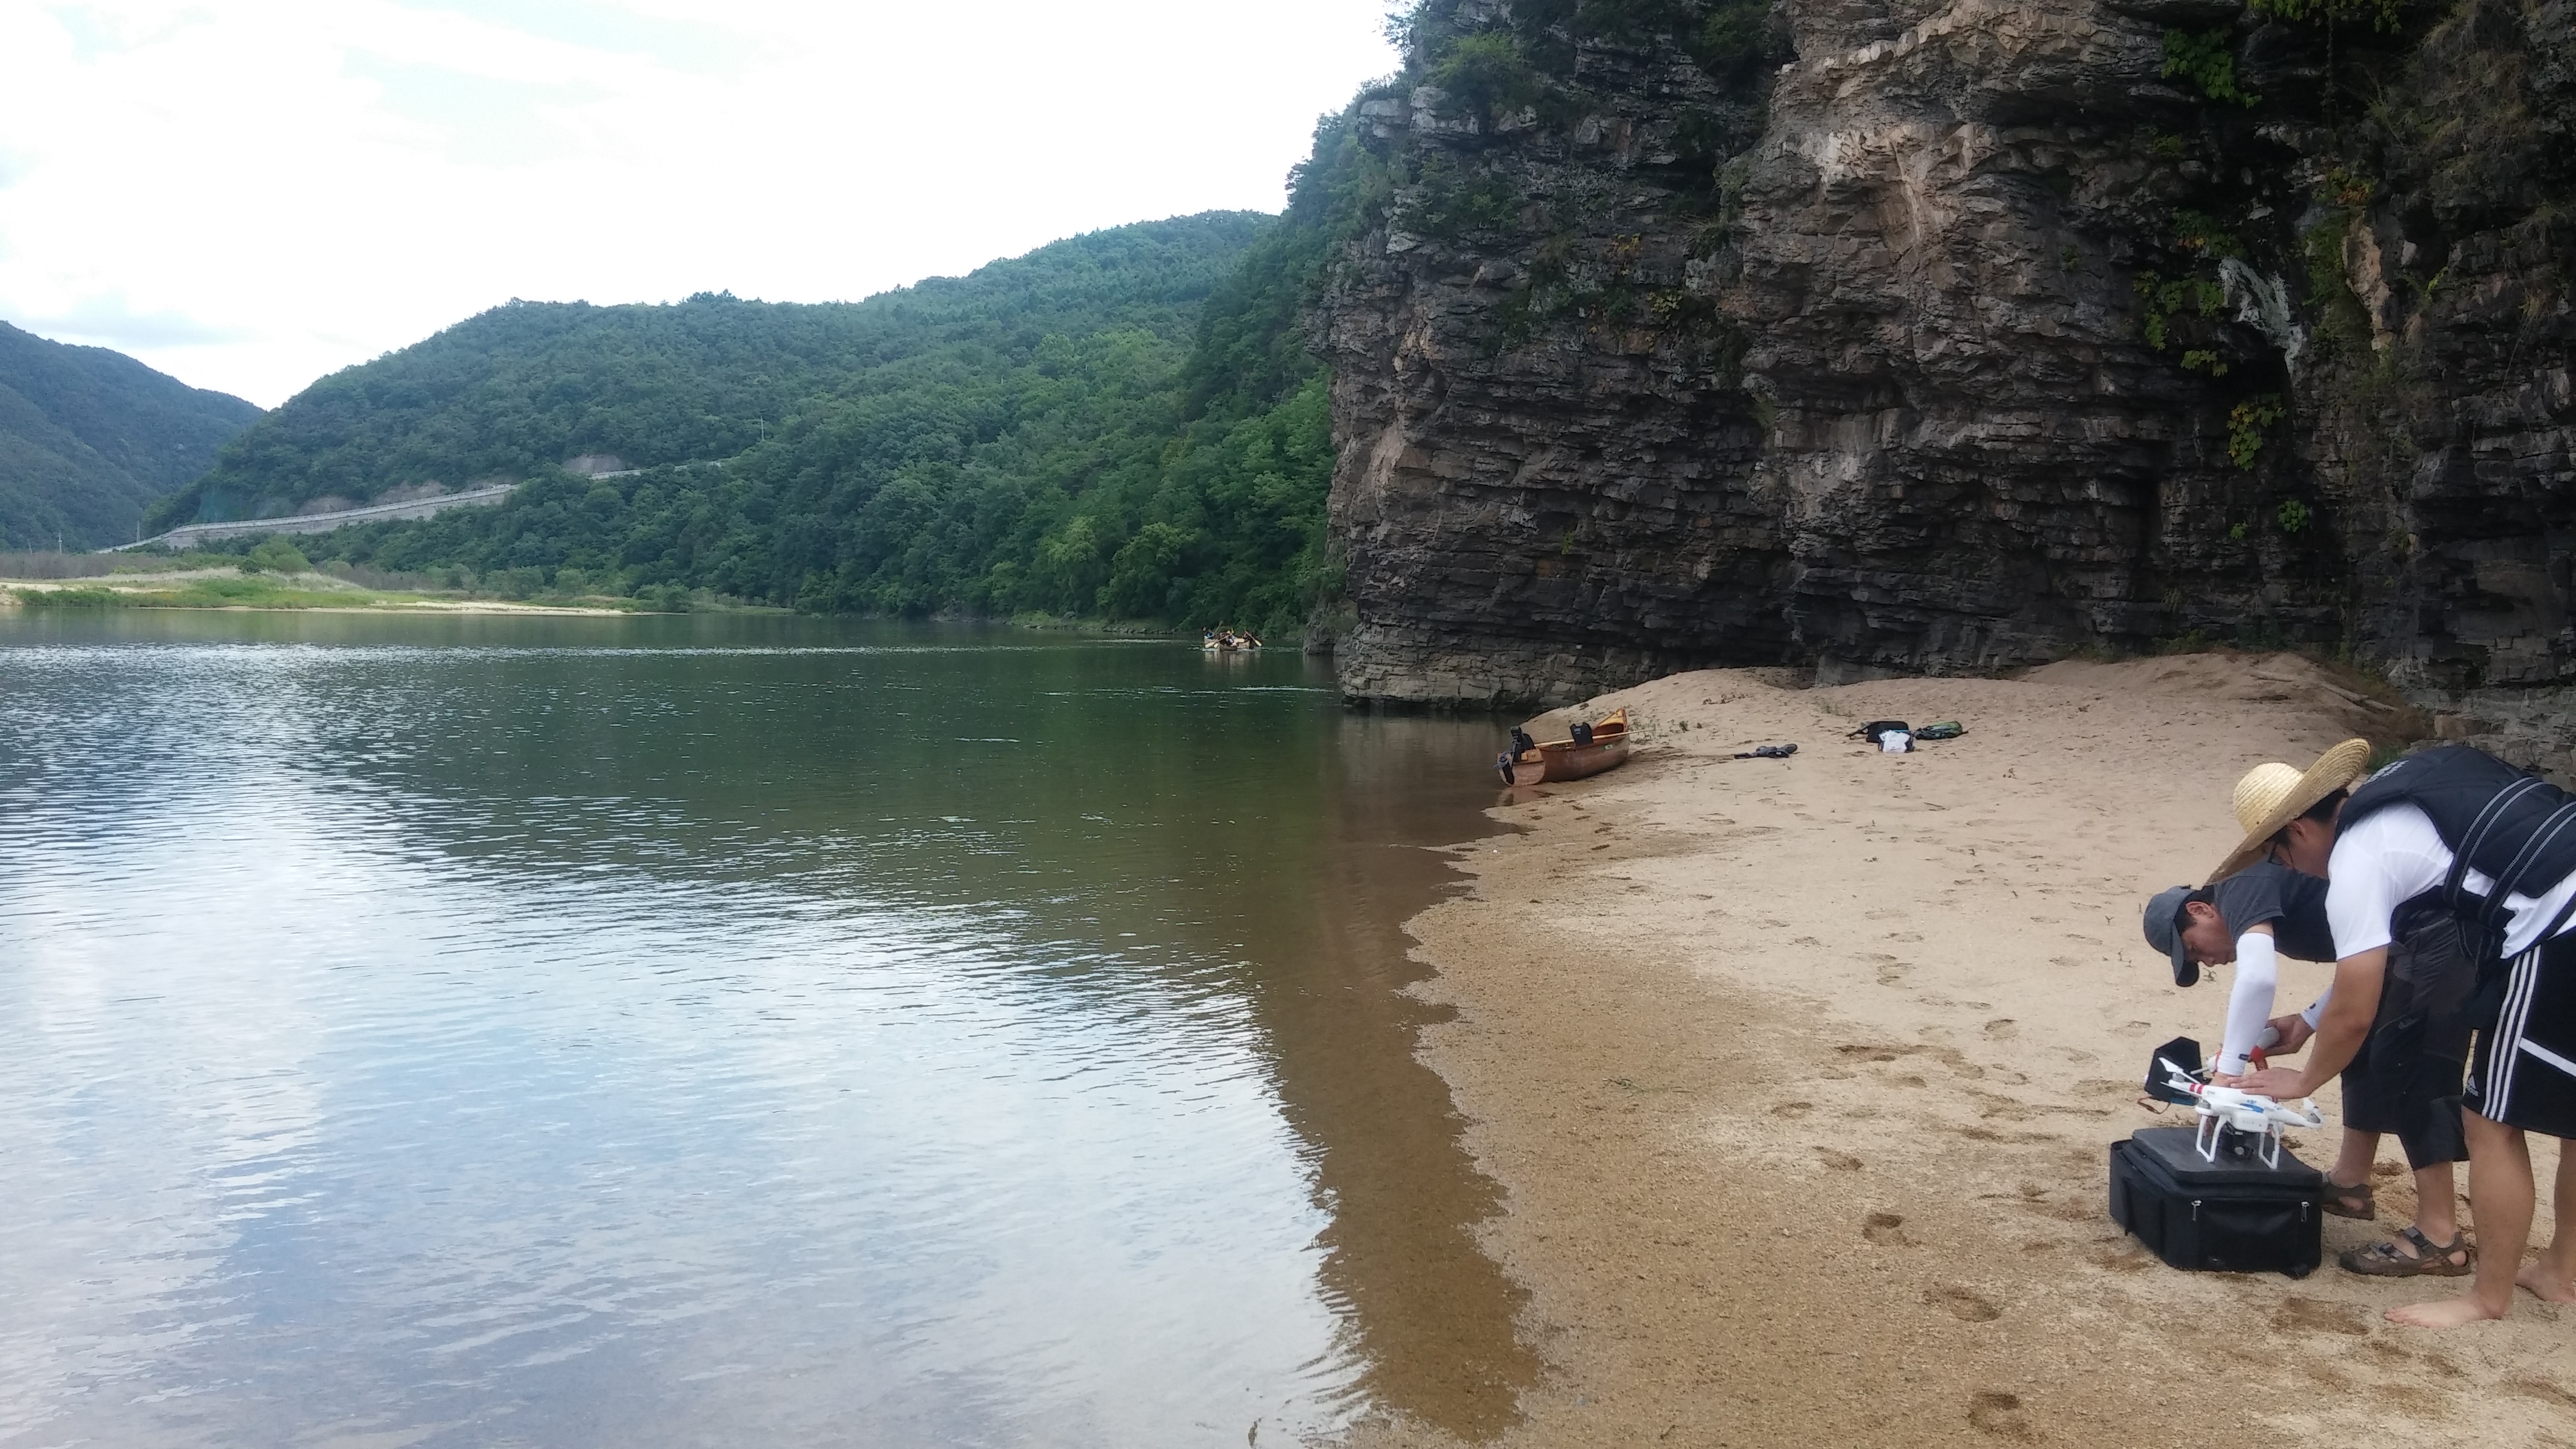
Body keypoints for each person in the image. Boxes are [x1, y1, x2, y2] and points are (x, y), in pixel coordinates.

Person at [2231, 741, 2576, 1326]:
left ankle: (2486, 1299)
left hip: (2558, 926)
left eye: (2276, 855)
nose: (2286, 870)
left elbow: (2359, 1006)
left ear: (2298, 829)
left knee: (2489, 1122)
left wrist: (2308, 1078)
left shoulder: (2357, 860)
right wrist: (2312, 1020)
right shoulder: (2404, 792)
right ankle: (2562, 1271)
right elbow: (2384, 965)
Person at [2144, 836, 2470, 1276]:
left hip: (2443, 930)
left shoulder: (2238, 884)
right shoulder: (2251, 894)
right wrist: (2310, 1020)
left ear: (2201, 910)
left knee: (2411, 1065)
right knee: (2360, 1048)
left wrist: (2228, 1072)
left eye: (2196, 949)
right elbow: (2367, 955)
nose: (2208, 963)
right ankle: (2350, 1183)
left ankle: (2439, 1234)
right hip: (2403, 943)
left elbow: (2258, 979)